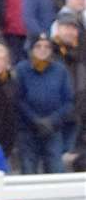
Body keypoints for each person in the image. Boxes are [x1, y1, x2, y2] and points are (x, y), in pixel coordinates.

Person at [15, 32, 75, 171]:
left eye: (47, 47)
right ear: (31, 49)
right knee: (28, 170)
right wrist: (34, 119)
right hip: (28, 130)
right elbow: (18, 99)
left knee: (56, 170)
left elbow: (68, 101)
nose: (42, 49)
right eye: (38, 46)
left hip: (53, 129)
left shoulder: (60, 70)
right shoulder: (22, 69)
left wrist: (52, 120)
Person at [53, 8, 85, 151]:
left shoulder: (81, 52)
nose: (70, 31)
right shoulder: (47, 50)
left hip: (78, 111)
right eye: (66, 27)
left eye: (73, 27)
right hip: (55, 114)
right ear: (58, 29)